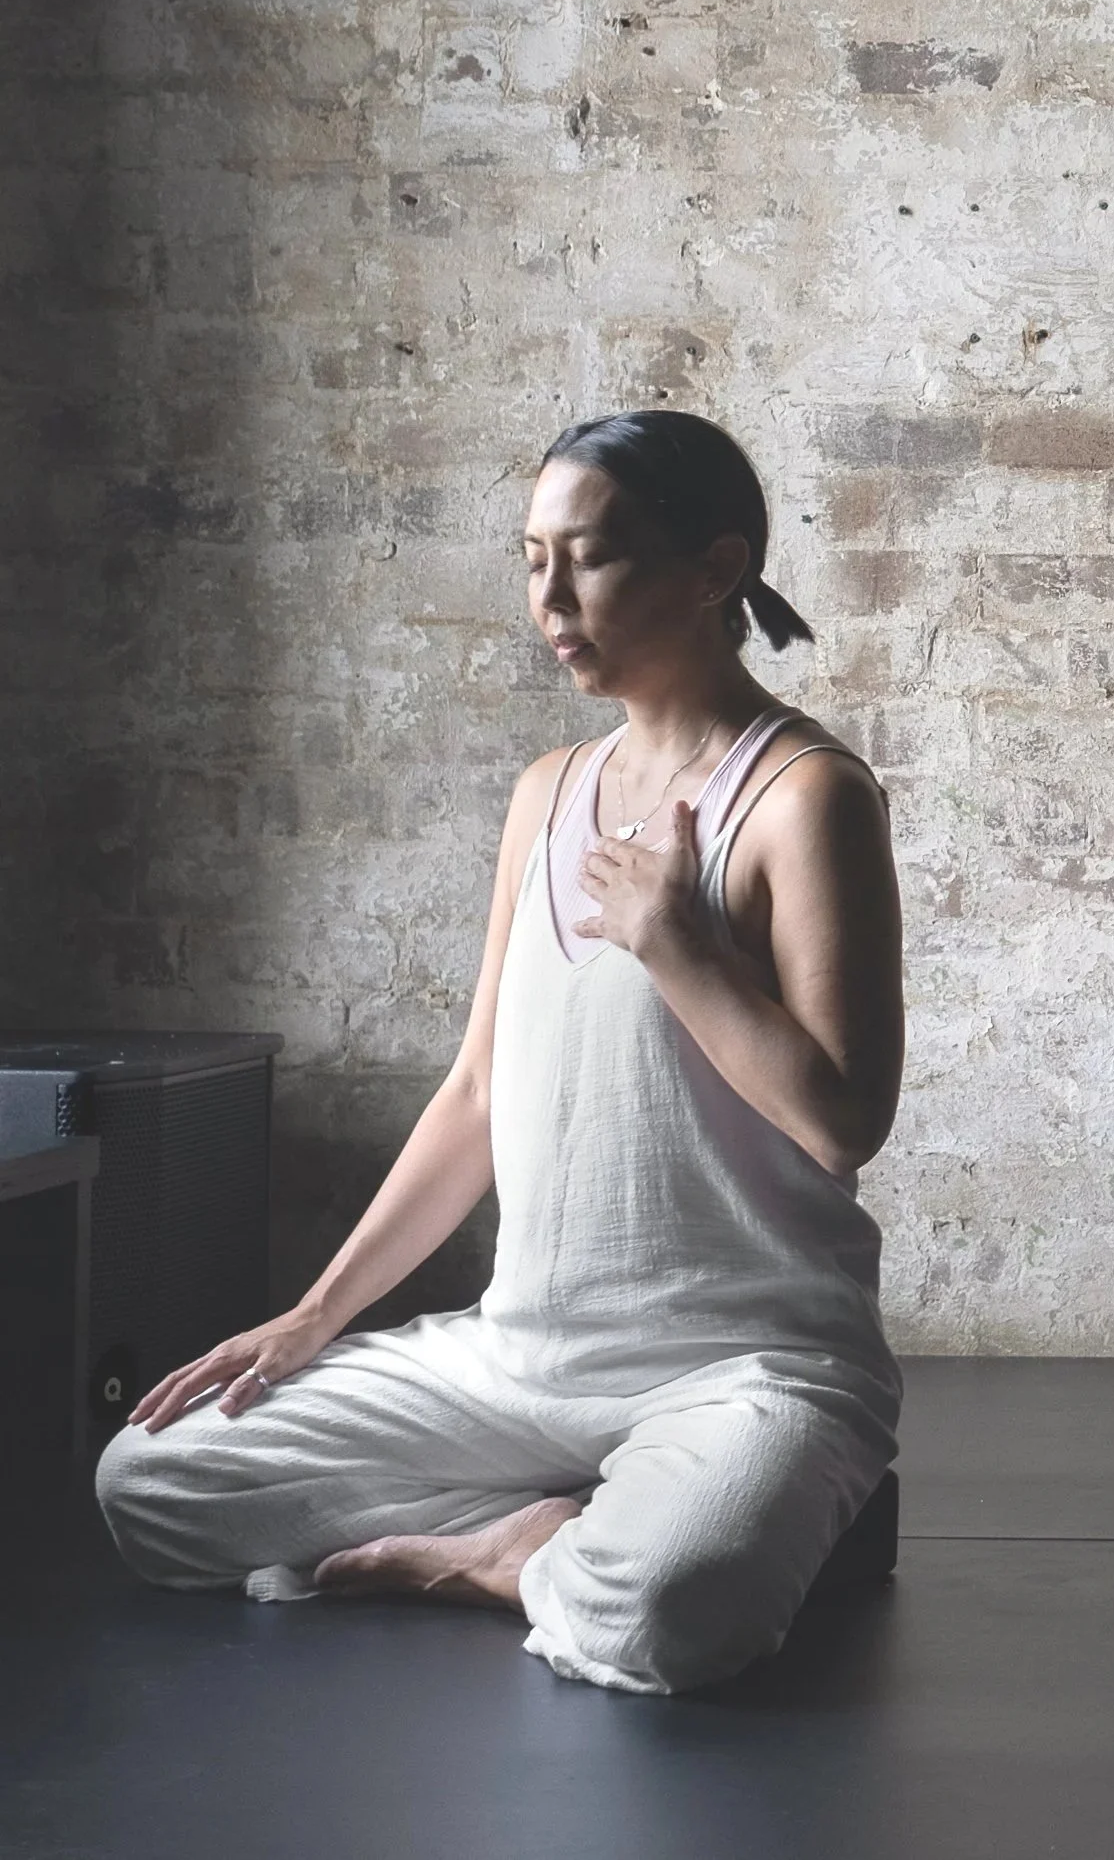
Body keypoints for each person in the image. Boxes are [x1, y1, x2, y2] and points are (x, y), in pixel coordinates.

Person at [95, 408, 906, 1698]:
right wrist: (313, 1319)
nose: (553, 596)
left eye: (592, 556)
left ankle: (502, 1557)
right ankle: (573, 1509)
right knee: (150, 1485)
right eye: (532, 558)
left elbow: (845, 1120)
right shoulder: (547, 791)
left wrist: (674, 944)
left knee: (674, 1608)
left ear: (718, 568)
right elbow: (478, 1090)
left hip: (745, 1360)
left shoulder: (808, 795)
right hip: (517, 1357)